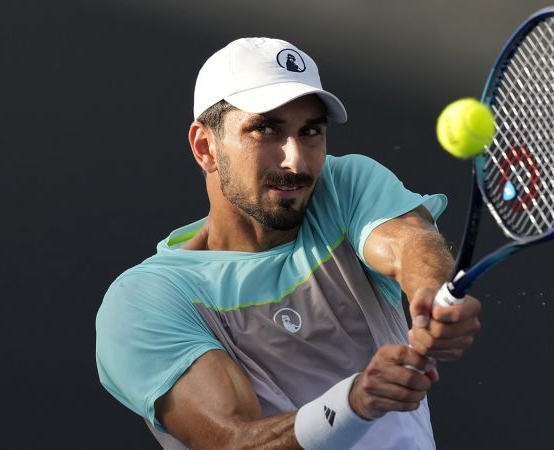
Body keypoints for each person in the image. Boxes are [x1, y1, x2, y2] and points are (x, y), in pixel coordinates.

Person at [96, 37, 481, 450]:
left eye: (310, 131)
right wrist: (352, 403)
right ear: (205, 147)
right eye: (266, 130)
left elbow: (410, 243)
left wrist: (432, 296)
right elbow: (231, 441)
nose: (295, 161)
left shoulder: (343, 186)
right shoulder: (145, 300)